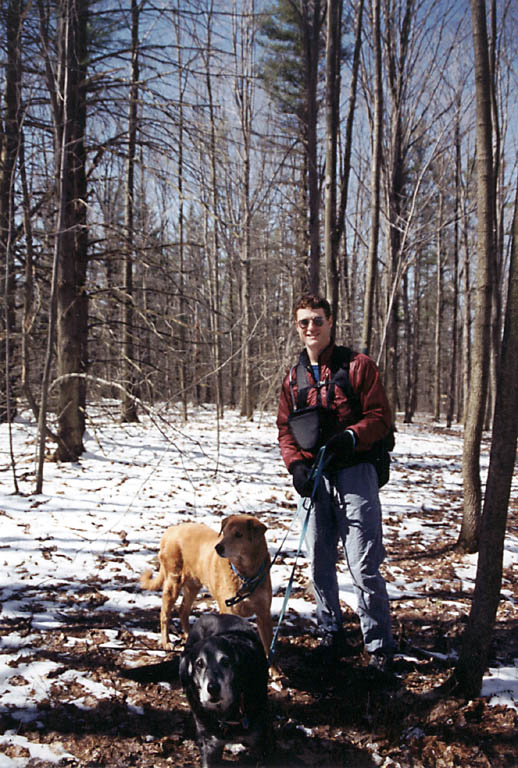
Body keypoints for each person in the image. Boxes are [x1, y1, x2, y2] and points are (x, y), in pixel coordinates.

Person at [277, 294, 395, 670]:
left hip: (356, 472)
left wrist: (352, 436)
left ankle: (378, 648)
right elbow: (285, 430)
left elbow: (380, 417)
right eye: (303, 322)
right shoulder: (292, 378)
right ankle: (331, 632)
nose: (310, 328)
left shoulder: (358, 366)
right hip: (314, 479)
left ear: (331, 323)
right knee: (319, 562)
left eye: (317, 320)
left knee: (364, 565)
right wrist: (295, 466)